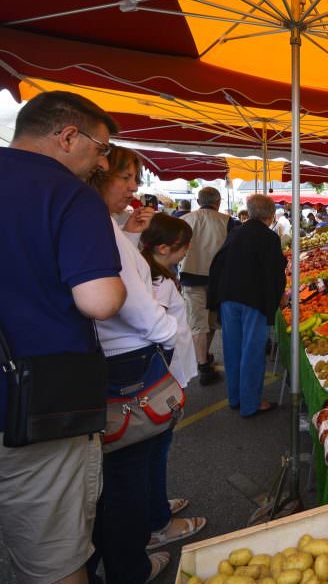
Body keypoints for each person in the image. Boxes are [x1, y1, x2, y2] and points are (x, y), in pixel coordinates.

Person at [0, 91, 126, 584]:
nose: (103, 163)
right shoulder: (68, 194)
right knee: (54, 566)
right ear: (68, 137)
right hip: (32, 415)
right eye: (102, 148)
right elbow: (99, 300)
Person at [86, 145, 189, 583]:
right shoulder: (98, 226)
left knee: (125, 468)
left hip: (116, 360)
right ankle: (131, 566)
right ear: (98, 172)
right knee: (129, 469)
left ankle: (147, 524)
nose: (134, 188)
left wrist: (128, 233)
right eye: (126, 178)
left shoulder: (105, 226)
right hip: (130, 364)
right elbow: (128, 297)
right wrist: (168, 333)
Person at [138, 213, 208, 554]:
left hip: (159, 379)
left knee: (154, 452)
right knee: (156, 450)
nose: (186, 253)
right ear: (164, 248)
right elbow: (156, 331)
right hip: (161, 382)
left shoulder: (147, 272)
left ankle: (155, 507)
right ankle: (158, 523)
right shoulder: (159, 282)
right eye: (183, 248)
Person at [207, 194, 287, 417]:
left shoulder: (236, 231)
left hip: (228, 297)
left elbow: (219, 263)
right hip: (253, 300)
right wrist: (279, 298)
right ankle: (251, 404)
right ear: (271, 215)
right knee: (252, 350)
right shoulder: (268, 237)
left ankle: (235, 398)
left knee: (232, 348)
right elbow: (274, 273)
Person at [178, 187, 233, 386]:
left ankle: (203, 360)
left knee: (198, 322)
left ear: (199, 201)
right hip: (217, 279)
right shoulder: (226, 221)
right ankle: (203, 364)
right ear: (218, 201)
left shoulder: (185, 220)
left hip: (190, 276)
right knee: (210, 322)